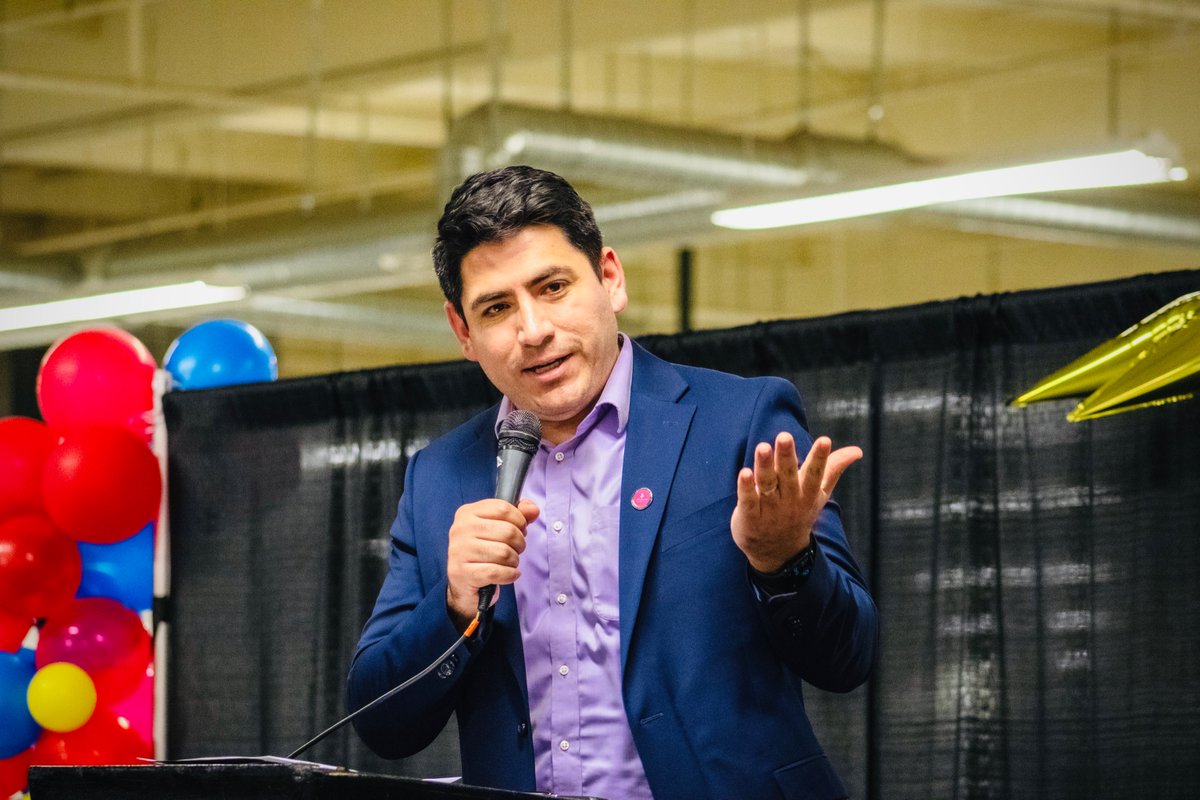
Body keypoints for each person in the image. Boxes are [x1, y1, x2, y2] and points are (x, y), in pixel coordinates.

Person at [347, 165, 878, 800]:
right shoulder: (440, 475)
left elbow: (849, 658)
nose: (533, 329)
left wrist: (782, 561)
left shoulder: (738, 421)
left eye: (552, 287)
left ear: (610, 278)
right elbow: (381, 722)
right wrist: (454, 605)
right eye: (496, 307)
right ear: (464, 332)